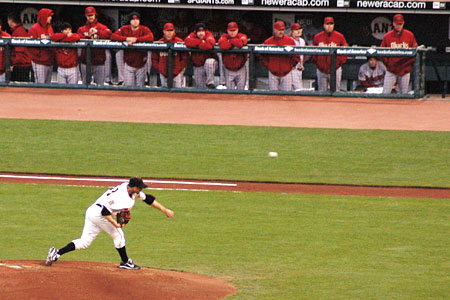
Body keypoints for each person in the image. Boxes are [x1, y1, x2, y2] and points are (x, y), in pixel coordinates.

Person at [45, 177, 174, 269]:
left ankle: (56, 253)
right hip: (99, 214)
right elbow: (105, 211)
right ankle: (125, 262)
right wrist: (115, 224)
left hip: (92, 211)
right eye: (140, 188)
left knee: (84, 242)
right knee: (118, 235)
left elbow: (148, 199)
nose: (141, 190)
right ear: (134, 187)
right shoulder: (122, 198)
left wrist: (164, 210)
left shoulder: (128, 188)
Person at [111, 12, 154, 87]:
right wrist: (126, 39)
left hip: (141, 64)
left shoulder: (144, 29)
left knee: (140, 88)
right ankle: (121, 80)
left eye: (137, 19)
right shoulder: (124, 28)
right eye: (133, 19)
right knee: (129, 88)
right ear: (130, 21)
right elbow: (113, 36)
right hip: (128, 64)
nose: (135, 21)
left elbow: (150, 37)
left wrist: (136, 39)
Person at [380, 14, 418, 94]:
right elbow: (381, 53)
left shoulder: (409, 35)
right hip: (391, 70)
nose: (399, 26)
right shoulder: (387, 36)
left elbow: (415, 51)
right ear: (393, 23)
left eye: (400, 24)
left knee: (404, 94)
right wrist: (389, 65)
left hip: (404, 70)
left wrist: (408, 66)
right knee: (385, 93)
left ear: (403, 23)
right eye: (397, 24)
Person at [260, 21, 299, 91]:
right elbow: (262, 57)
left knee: (286, 96)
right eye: (279, 30)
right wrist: (269, 66)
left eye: (282, 30)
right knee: (273, 96)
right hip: (273, 73)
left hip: (286, 73)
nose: (281, 32)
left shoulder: (290, 41)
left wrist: (290, 66)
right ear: (274, 30)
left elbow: (296, 56)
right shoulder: (268, 42)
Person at [77, 7, 112, 85]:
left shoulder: (101, 27)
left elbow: (110, 35)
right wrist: (88, 36)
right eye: (88, 15)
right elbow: (78, 38)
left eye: (92, 15)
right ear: (86, 16)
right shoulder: (82, 29)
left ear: (95, 15)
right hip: (85, 62)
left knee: (100, 86)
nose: (90, 17)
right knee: (85, 86)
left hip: (99, 62)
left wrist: (97, 32)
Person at [311, 17, 348, 92]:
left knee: (336, 92)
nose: (329, 26)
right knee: (322, 93)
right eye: (327, 24)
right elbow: (312, 52)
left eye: (331, 24)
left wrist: (340, 62)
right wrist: (318, 63)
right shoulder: (318, 37)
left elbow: (345, 50)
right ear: (324, 25)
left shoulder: (339, 36)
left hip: (335, 69)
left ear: (333, 25)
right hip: (321, 70)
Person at [151, 23, 190, 88]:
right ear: (164, 31)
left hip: (177, 73)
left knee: (177, 92)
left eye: (171, 30)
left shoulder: (179, 41)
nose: (169, 33)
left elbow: (185, 58)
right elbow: (154, 58)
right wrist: (159, 68)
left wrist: (179, 68)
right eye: (167, 31)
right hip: (163, 72)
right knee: (164, 92)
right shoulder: (159, 42)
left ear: (174, 31)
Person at [185, 23, 217, 89]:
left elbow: (210, 44)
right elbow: (187, 41)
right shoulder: (192, 35)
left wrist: (196, 44)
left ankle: (210, 82)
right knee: (200, 88)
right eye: (199, 31)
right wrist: (201, 42)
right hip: (198, 66)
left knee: (209, 62)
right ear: (195, 32)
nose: (201, 33)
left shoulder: (209, 34)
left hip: (210, 65)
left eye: (202, 31)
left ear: (205, 31)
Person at [217, 22, 248, 90]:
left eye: (234, 30)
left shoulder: (242, 36)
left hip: (240, 68)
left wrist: (230, 41)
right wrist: (234, 42)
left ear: (237, 30)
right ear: (227, 31)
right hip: (228, 69)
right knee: (230, 93)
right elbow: (223, 45)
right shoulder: (224, 36)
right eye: (230, 30)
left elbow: (240, 43)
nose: (232, 32)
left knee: (241, 92)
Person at [28, 8, 55, 84]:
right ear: (44, 17)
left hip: (49, 61)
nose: (51, 18)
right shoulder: (34, 29)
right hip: (39, 62)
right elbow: (30, 47)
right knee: (40, 85)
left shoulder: (49, 27)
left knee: (48, 85)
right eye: (49, 16)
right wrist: (39, 56)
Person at [7, 13, 32, 82]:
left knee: (20, 88)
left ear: (11, 20)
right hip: (21, 64)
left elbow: (20, 52)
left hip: (21, 65)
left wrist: (14, 65)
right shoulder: (18, 30)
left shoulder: (19, 32)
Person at [290, 23, 306, 91]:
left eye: (300, 29)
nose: (299, 31)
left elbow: (304, 54)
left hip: (299, 68)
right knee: (297, 89)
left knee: (298, 89)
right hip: (292, 69)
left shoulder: (302, 41)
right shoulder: (289, 40)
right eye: (296, 30)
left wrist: (302, 64)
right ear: (291, 32)